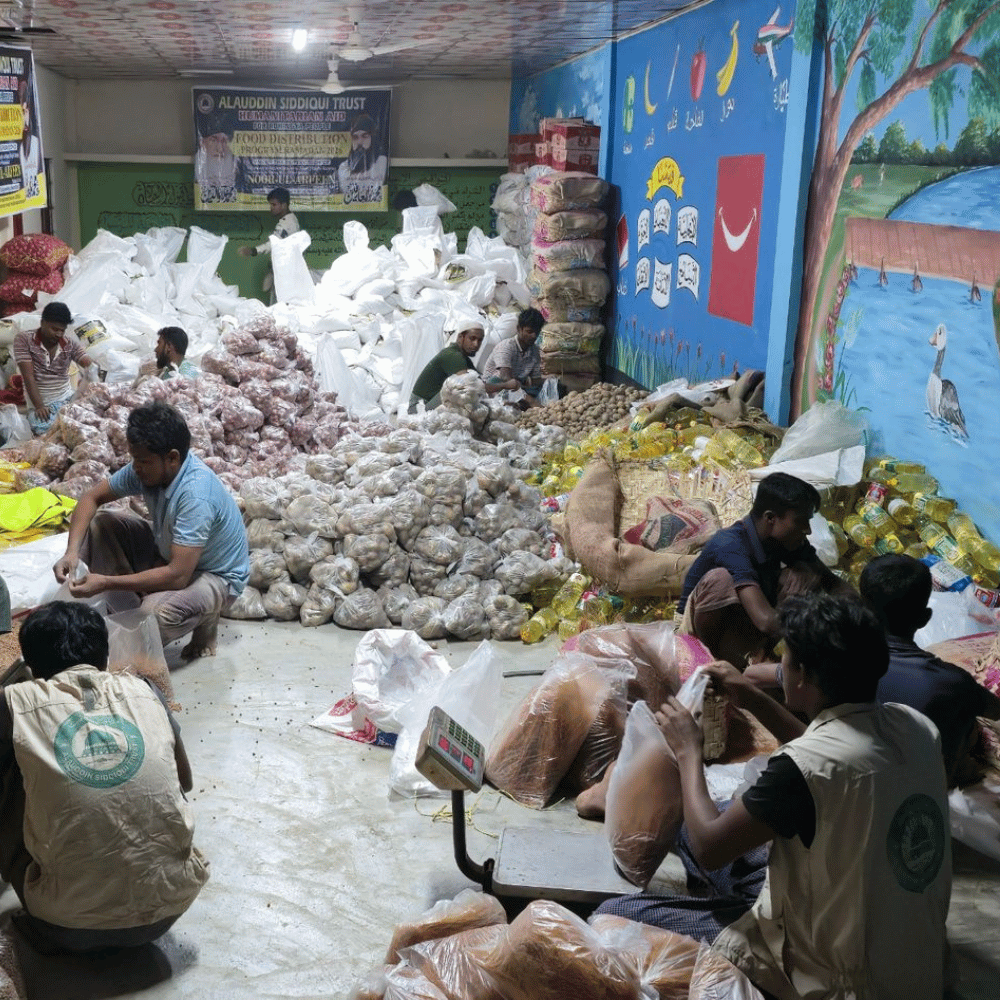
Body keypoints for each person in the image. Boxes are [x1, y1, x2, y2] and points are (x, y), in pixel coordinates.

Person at [598, 593, 952, 1000]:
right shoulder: (915, 726)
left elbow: (712, 846)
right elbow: (829, 748)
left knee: (613, 919)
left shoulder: (800, 771)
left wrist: (688, 751)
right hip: (912, 960)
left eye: (787, 658)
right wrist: (752, 698)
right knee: (710, 820)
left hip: (837, 975)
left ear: (801, 674)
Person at [1, 601, 208, 954]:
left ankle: (46, 909)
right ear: (103, 655)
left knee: (18, 782)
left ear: (32, 664)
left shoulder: (13, 702)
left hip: (63, 922)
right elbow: (184, 781)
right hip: (171, 905)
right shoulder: (146, 690)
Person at [52, 401, 249, 659]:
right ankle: (132, 604)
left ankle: (205, 618)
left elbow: (178, 575)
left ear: (172, 458)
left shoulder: (195, 495)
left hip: (213, 574)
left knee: (153, 618)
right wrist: (71, 553)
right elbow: (91, 498)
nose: (136, 467)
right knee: (102, 525)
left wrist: (106, 583)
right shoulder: (148, 469)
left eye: (143, 461)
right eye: (134, 459)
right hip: (171, 551)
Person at [677, 472, 845, 668]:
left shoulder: (785, 540)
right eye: (800, 521)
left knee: (802, 576)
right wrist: (826, 629)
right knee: (721, 579)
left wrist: (860, 619)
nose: (807, 530)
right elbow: (765, 620)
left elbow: (834, 584)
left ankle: (756, 654)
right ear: (771, 518)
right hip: (695, 632)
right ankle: (711, 661)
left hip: (746, 622)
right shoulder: (731, 544)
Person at [860, 553, 1000, 786]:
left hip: (864, 765)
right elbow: (995, 710)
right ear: (925, 618)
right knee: (966, 721)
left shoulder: (839, 655)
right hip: (923, 783)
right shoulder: (949, 682)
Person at [13, 302, 95, 435]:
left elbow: (88, 362)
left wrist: (92, 367)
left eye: (62, 330)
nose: (58, 334)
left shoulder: (69, 344)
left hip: (67, 398)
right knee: (45, 428)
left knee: (88, 421)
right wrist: (39, 406)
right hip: (43, 405)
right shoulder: (24, 340)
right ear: (42, 322)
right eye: (54, 329)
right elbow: (29, 376)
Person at [409, 322, 509, 412]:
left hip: (429, 404)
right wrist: (506, 385)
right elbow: (475, 387)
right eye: (472, 338)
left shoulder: (463, 358)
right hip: (419, 408)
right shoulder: (453, 355)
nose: (476, 344)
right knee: (461, 390)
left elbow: (481, 383)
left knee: (490, 383)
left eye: (480, 340)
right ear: (461, 337)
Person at [482, 307, 546, 407]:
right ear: (519, 329)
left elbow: (535, 381)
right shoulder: (506, 346)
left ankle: (521, 404)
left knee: (555, 387)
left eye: (536, 332)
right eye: (529, 332)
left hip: (518, 386)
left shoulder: (534, 351)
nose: (533, 336)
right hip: (497, 386)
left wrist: (549, 381)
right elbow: (505, 378)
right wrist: (531, 401)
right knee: (510, 391)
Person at [237, 186, 299, 260]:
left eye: (274, 205)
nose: (271, 208)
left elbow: (273, 244)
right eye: (270, 205)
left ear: (284, 205)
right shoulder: (291, 218)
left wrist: (253, 251)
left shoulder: (286, 223)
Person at [336, 113, 388, 193]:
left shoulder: (381, 162)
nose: (360, 142)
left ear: (372, 137)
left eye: (365, 136)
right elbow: (347, 191)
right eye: (355, 137)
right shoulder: (343, 167)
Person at [18, 76, 42, 202]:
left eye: (25, 112)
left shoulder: (35, 143)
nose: (24, 117)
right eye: (21, 113)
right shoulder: (19, 148)